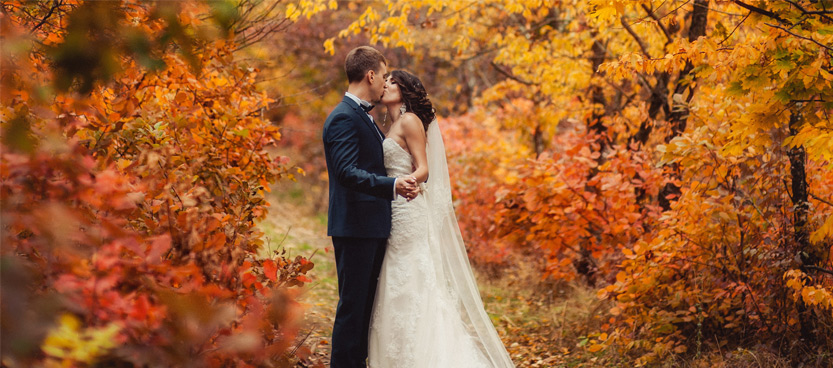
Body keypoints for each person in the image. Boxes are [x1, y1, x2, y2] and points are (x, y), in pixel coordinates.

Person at [368, 70, 515, 367]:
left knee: (409, 277)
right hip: (394, 206)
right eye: (384, 80)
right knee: (397, 277)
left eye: (392, 81)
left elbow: (423, 169)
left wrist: (406, 182)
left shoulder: (409, 121)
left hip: (408, 209)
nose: (385, 84)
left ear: (406, 89)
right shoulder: (392, 124)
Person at [322, 47, 419, 368]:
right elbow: (346, 172)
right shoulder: (342, 118)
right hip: (355, 228)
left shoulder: (364, 115)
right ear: (371, 75)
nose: (385, 84)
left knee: (365, 309)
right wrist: (391, 185)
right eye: (384, 75)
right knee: (353, 308)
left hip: (372, 227)